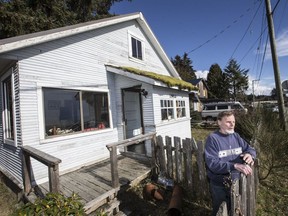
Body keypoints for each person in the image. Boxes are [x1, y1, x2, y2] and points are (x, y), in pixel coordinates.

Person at [204, 111, 256, 216]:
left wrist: (250, 155)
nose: (232, 125)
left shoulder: (236, 136)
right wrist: (234, 166)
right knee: (220, 210)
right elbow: (212, 164)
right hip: (220, 184)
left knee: (235, 209)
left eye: (233, 122)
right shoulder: (213, 139)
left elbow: (250, 149)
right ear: (219, 122)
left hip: (237, 182)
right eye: (228, 122)